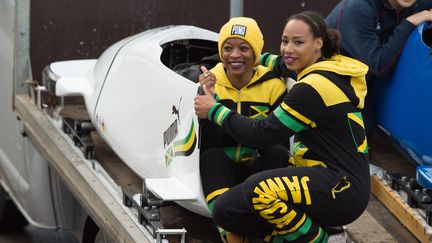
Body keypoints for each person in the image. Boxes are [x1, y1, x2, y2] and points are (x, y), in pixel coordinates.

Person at [195, 11, 369, 242]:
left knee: (258, 191)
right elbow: (280, 63)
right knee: (227, 210)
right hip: (333, 180)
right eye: (285, 41)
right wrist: (252, 56)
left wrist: (214, 110)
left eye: (298, 42)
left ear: (318, 44)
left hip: (338, 187)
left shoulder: (311, 88)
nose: (288, 49)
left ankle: (323, 240)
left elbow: (263, 135)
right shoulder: (329, 67)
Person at [198, 17, 290, 243]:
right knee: (210, 156)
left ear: (256, 52)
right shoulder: (210, 81)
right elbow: (209, 142)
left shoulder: (274, 85)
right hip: (224, 168)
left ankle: (264, 227)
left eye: (244, 48)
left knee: (278, 153)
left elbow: (279, 140)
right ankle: (231, 234)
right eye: (227, 48)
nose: (235, 55)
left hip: (257, 167)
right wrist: (212, 99)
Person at [325, 0, 432, 139]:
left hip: (366, 83)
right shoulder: (360, 7)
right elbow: (377, 67)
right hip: (331, 84)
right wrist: (410, 22)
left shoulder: (415, 3)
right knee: (356, 141)